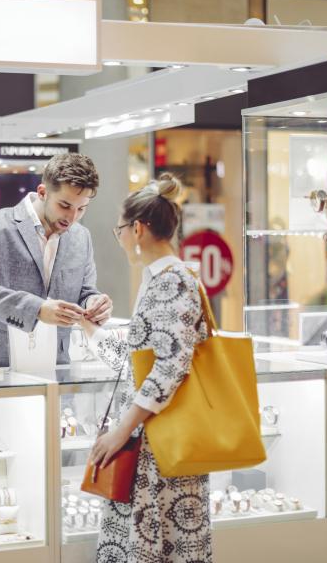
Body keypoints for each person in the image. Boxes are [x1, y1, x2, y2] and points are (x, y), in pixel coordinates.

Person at [77, 173, 211, 563]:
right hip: (151, 445)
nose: (118, 237)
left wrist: (121, 432)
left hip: (160, 448)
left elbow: (170, 368)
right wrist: (91, 329)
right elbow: (142, 365)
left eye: (119, 228)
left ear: (137, 229)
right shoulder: (160, 281)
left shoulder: (173, 281)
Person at [0, 153, 113, 365]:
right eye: (65, 205)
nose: (72, 217)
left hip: (58, 367)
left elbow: (84, 291)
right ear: (43, 192)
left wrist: (94, 303)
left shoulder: (81, 237)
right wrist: (36, 309)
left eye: (81, 208)